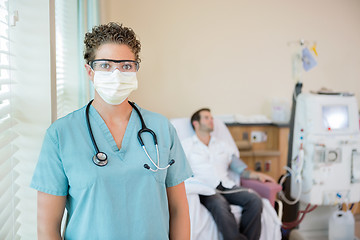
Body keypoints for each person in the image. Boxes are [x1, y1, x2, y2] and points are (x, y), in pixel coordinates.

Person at [30, 22, 193, 240]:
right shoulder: (61, 135)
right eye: (105, 65)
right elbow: (47, 229)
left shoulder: (162, 129)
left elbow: (179, 211)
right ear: (89, 71)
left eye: (126, 66)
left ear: (135, 70)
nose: (116, 74)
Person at [181, 108, 276, 240]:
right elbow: (179, 170)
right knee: (220, 205)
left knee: (254, 200)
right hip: (205, 189)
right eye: (206, 118)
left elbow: (240, 168)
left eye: (212, 118)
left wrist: (258, 175)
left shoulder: (222, 145)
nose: (211, 120)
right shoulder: (186, 146)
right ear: (195, 123)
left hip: (226, 186)